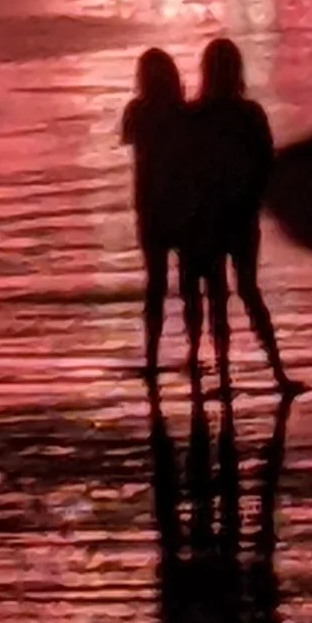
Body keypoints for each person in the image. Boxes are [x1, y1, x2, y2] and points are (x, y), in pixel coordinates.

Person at [183, 36, 302, 395]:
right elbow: (266, 162)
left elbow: (185, 170)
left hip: (208, 216)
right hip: (242, 213)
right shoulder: (249, 113)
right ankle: (277, 371)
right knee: (249, 291)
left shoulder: (195, 115)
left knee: (216, 294)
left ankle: (221, 376)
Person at [119, 46, 198, 379]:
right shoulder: (185, 112)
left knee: (156, 284)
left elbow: (130, 140)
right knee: (189, 283)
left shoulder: (137, 111)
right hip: (184, 205)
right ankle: (193, 352)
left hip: (151, 206)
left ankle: (151, 356)